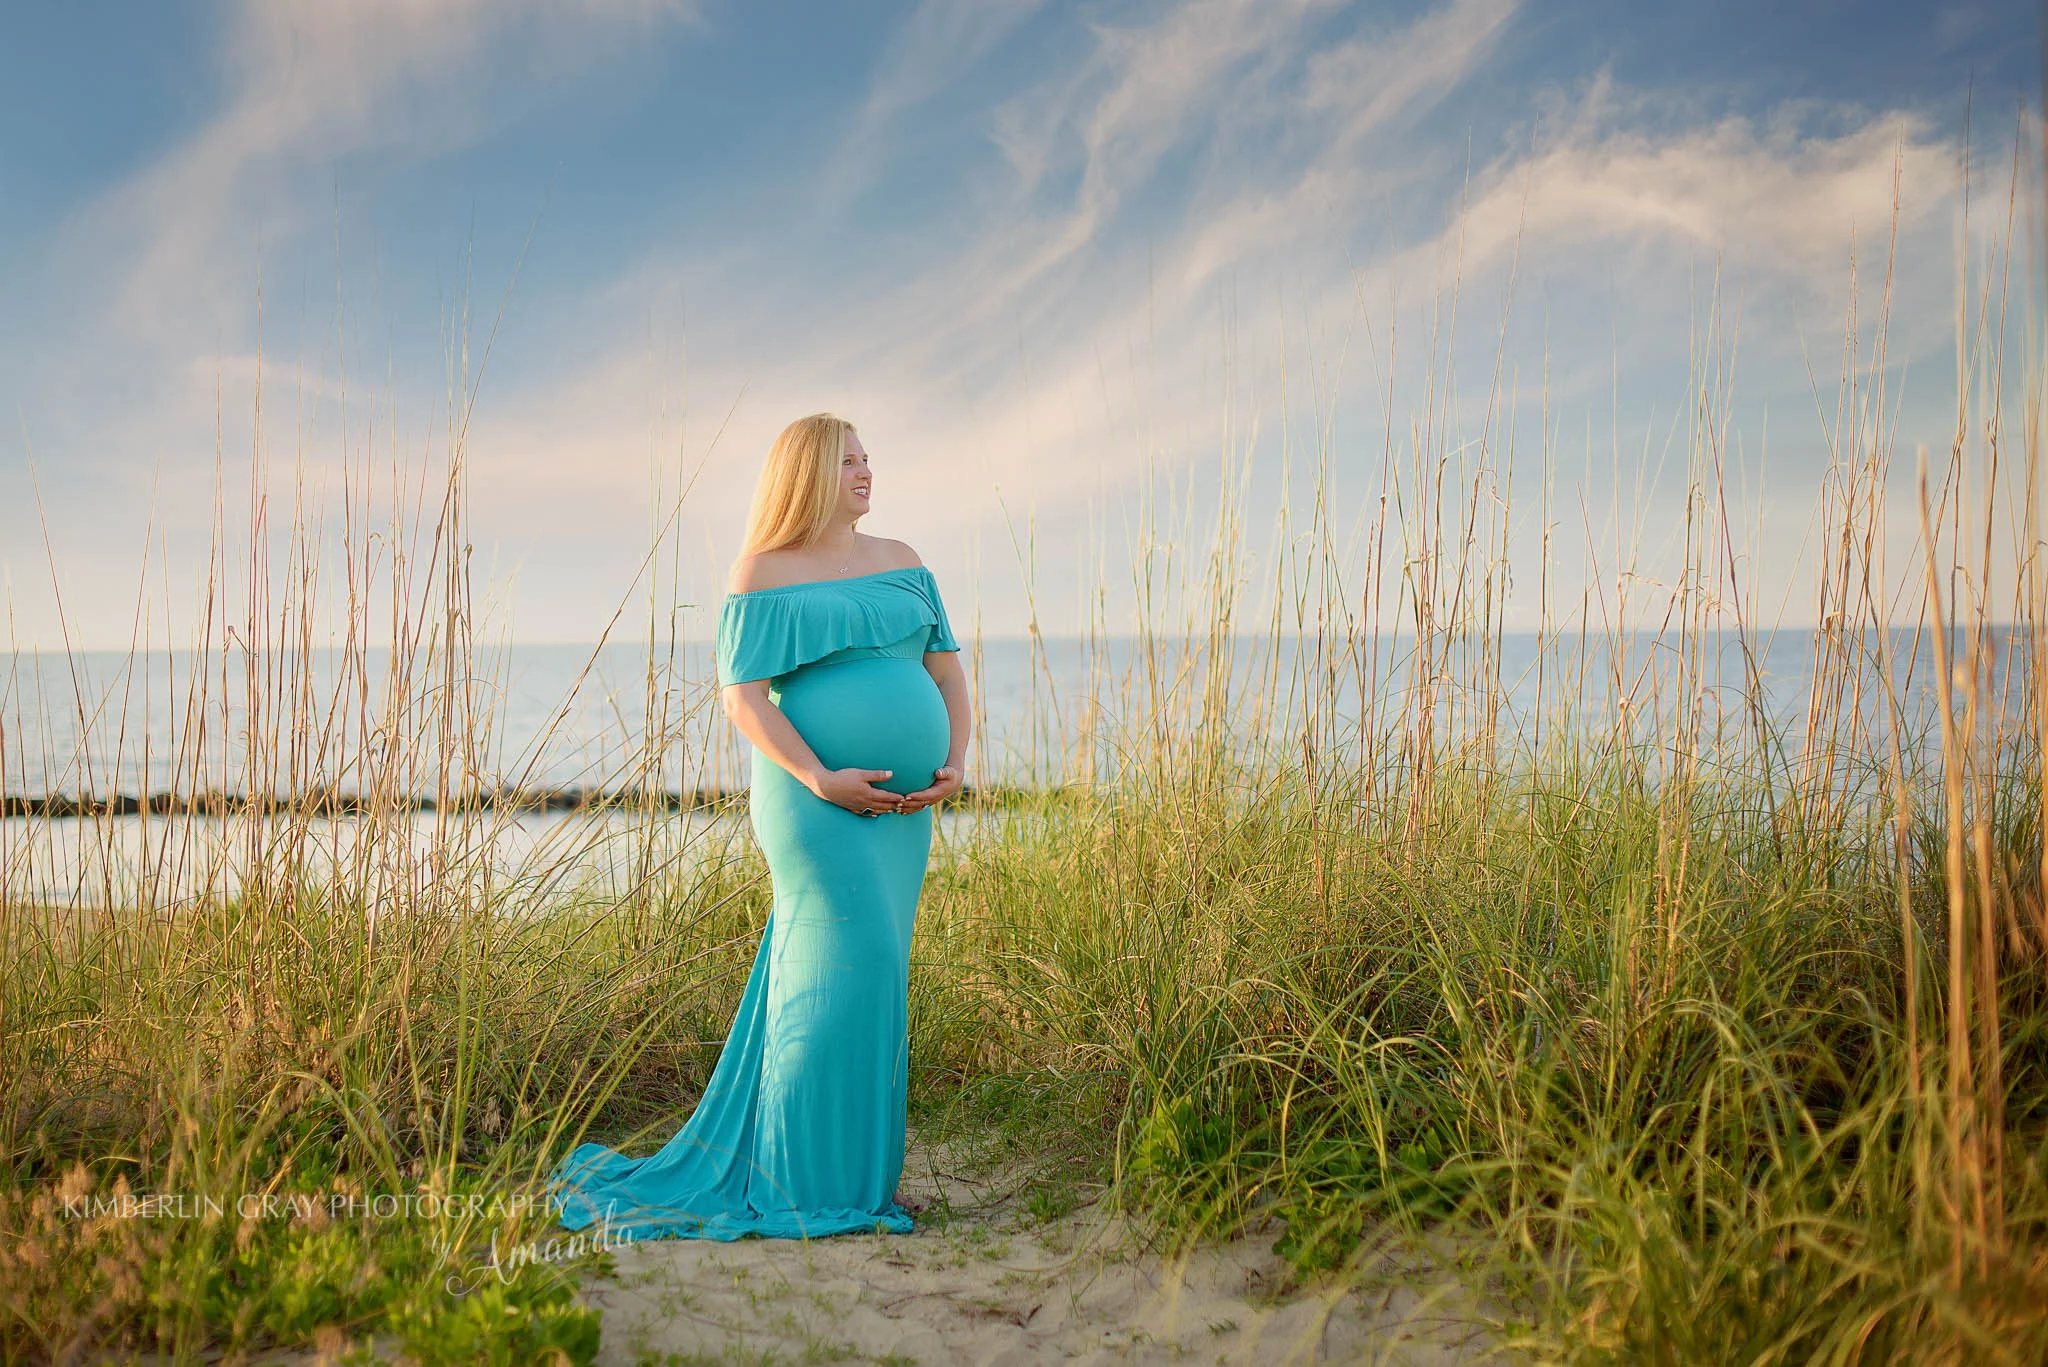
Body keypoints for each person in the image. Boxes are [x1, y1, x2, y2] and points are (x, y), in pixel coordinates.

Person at [550, 413, 971, 1240]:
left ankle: (858, 1181)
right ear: (806, 472)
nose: (865, 470)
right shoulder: (763, 571)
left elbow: (947, 671)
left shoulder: (905, 562)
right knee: (829, 977)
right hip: (814, 806)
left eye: (867, 456)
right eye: (847, 459)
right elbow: (743, 699)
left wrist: (956, 757)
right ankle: (800, 1182)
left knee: (878, 974)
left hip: (905, 816)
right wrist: (820, 775)